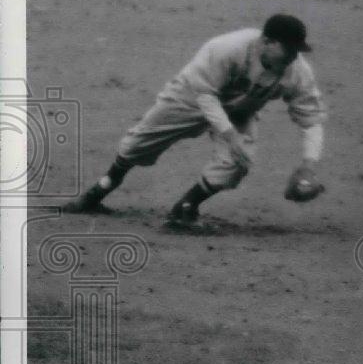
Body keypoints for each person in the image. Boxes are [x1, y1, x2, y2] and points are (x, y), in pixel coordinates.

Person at [63, 14, 327, 227]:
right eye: (288, 50)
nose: (293, 57)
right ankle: (99, 191)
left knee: (238, 161)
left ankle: (186, 208)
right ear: (267, 42)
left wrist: (308, 164)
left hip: (239, 110)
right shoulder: (227, 48)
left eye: (297, 51)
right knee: (139, 142)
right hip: (192, 95)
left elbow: (311, 118)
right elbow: (206, 96)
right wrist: (230, 135)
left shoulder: (297, 71)